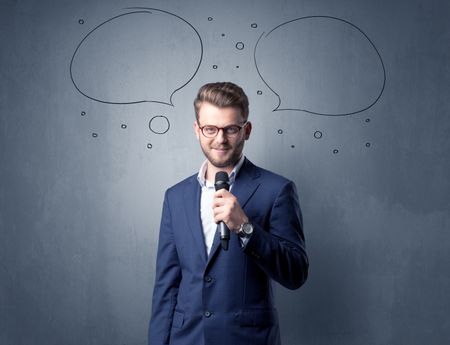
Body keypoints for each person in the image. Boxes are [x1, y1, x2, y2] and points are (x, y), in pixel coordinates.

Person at [148, 82, 308, 345]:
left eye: (231, 129)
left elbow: (296, 273)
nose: (220, 139)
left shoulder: (277, 190)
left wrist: (246, 227)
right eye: (210, 128)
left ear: (246, 130)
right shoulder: (175, 197)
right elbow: (166, 287)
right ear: (197, 130)